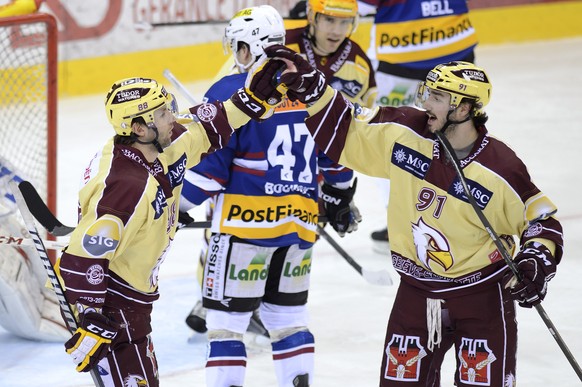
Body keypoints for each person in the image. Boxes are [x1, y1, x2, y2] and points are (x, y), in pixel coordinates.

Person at [258, 46, 564, 385]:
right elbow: (349, 131)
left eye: (436, 96)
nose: (425, 103)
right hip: (416, 294)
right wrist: (314, 92)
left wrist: (536, 260)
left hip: (481, 297)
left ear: (463, 108)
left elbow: (542, 221)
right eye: (427, 93)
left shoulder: (500, 167)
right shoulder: (404, 130)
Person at [178, 4, 364, 386]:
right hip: (299, 229)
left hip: (241, 233)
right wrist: (339, 197)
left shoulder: (232, 91)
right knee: (289, 321)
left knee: (227, 328)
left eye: (238, 48)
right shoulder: (316, 89)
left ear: (247, 49)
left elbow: (210, 172)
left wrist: (175, 207)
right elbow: (338, 154)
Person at [54, 75, 281, 386]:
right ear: (139, 128)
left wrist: (251, 100)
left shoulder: (162, 142)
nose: (172, 117)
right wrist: (91, 319)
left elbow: (209, 126)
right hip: (114, 302)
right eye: (162, 113)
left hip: (137, 297)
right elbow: (82, 259)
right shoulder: (126, 187)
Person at [356, 0, 479, 251]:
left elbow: (355, 6)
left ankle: (404, 220)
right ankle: (464, 220)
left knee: (389, 139)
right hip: (457, 53)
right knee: (460, 141)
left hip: (400, 56)